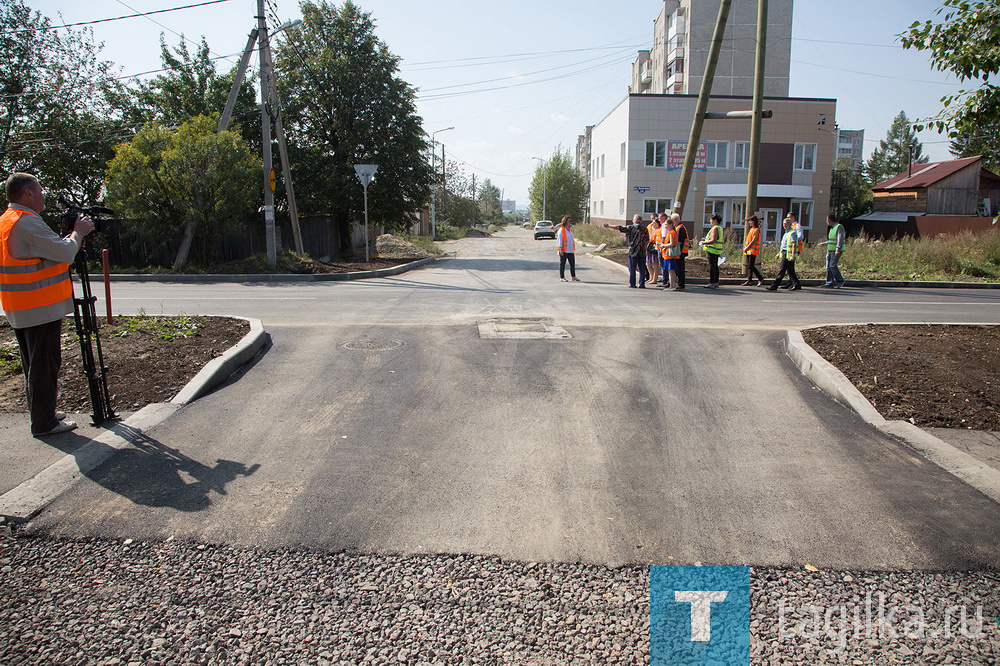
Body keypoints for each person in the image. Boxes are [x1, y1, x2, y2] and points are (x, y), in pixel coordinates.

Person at [1, 173, 94, 435]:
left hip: (19, 305)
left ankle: (42, 412)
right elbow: (65, 253)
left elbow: (37, 257)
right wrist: (79, 232)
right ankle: (45, 423)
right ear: (27, 194)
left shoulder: (6, 221)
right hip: (39, 306)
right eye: (40, 190)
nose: (43, 195)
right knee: (44, 365)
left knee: (33, 364)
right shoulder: (27, 223)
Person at [604, 214, 649, 288]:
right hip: (642, 251)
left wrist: (609, 226)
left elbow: (620, 227)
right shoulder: (645, 229)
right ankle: (642, 284)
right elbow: (647, 240)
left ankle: (632, 283)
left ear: (635, 220)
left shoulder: (631, 227)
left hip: (633, 250)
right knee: (642, 268)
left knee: (632, 268)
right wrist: (644, 247)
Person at [767, 217, 801, 291]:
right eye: (783, 224)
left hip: (788, 255)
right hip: (785, 253)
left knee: (782, 270)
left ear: (790, 224)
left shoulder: (792, 233)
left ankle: (774, 286)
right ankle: (796, 284)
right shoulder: (786, 233)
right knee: (790, 271)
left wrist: (793, 255)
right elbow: (784, 245)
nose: (784, 225)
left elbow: (794, 245)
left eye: (786, 224)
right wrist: (779, 253)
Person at [699, 213, 724, 289]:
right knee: (715, 266)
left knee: (712, 267)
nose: (710, 221)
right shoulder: (720, 228)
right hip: (717, 250)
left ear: (715, 220)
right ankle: (716, 282)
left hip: (712, 250)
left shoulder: (715, 228)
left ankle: (712, 282)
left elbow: (713, 240)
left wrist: (703, 242)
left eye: (711, 219)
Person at [822, 215, 846, 288]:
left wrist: (838, 249)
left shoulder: (839, 227)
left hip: (835, 250)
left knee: (832, 265)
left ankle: (840, 280)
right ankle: (829, 282)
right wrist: (825, 243)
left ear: (830, 220)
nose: (826, 221)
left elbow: (840, 239)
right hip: (830, 250)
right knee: (828, 267)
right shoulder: (832, 228)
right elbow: (832, 240)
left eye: (827, 220)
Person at [740, 216, 765, 286]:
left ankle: (760, 279)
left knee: (751, 266)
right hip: (749, 250)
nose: (749, 222)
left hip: (752, 250)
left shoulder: (756, 230)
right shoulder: (751, 229)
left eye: (750, 221)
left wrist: (747, 248)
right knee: (749, 266)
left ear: (754, 222)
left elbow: (754, 240)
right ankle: (749, 280)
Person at [556, 215, 580, 282]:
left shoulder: (570, 230)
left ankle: (573, 277)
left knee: (572, 264)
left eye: (571, 221)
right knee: (562, 264)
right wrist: (561, 249)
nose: (570, 223)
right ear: (565, 222)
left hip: (570, 250)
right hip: (564, 250)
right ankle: (562, 277)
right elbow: (560, 240)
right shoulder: (562, 230)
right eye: (569, 221)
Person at [660, 216, 681, 291]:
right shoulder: (671, 233)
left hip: (670, 255)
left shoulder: (672, 233)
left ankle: (672, 286)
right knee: (671, 270)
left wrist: (663, 245)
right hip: (668, 255)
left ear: (671, 225)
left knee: (671, 270)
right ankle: (672, 285)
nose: (665, 226)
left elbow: (672, 244)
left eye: (666, 224)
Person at [672, 213, 690, 290]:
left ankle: (681, 284)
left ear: (675, 220)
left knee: (680, 268)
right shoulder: (678, 227)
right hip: (680, 252)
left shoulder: (680, 228)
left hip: (681, 252)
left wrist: (677, 252)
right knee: (679, 268)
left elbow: (680, 241)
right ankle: (679, 283)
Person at [646, 214, 662, 286]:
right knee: (648, 263)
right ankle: (651, 277)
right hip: (649, 248)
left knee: (655, 264)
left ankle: (654, 279)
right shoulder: (651, 228)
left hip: (655, 248)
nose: (653, 224)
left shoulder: (659, 230)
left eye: (654, 223)